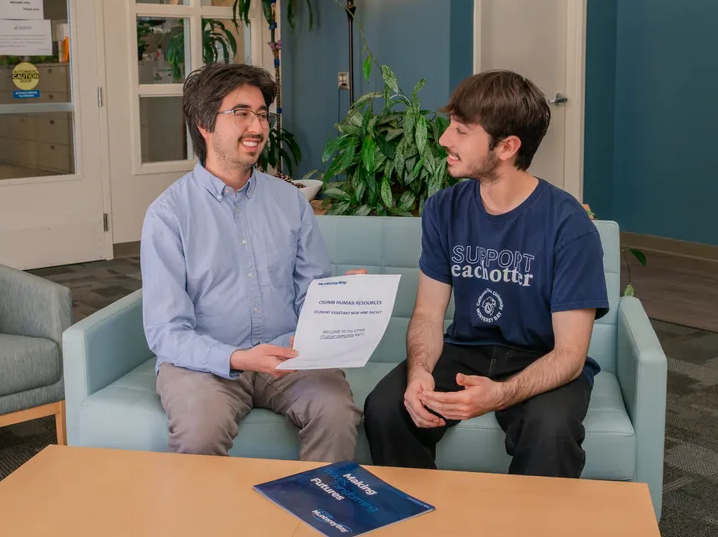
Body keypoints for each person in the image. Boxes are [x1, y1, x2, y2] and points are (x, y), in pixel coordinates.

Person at [363, 70, 609, 478]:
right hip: (466, 349)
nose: (444, 141)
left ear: (507, 147)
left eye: (461, 131)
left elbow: (569, 354)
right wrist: (421, 371)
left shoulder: (569, 225)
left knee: (551, 430)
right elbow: (427, 312)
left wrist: (500, 395)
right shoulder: (445, 208)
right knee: (388, 408)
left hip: (541, 356)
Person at [140, 62, 363, 461]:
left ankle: (318, 520)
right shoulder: (168, 214)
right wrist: (237, 358)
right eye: (241, 114)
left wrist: (341, 299)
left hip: (288, 356)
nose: (258, 128)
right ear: (204, 124)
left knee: (336, 413)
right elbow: (166, 332)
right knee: (199, 433)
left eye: (262, 115)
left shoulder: (291, 202)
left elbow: (310, 293)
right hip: (203, 365)